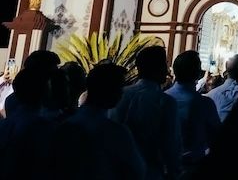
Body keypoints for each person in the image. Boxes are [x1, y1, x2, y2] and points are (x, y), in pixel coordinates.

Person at [51, 63, 147, 180]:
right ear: (112, 91)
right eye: (119, 88)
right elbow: (138, 171)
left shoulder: (64, 125)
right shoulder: (116, 133)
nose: (122, 93)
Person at [111, 45, 182, 180]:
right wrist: (174, 172)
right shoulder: (165, 102)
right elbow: (171, 144)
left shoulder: (120, 94)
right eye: (165, 64)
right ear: (159, 68)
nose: (167, 70)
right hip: (150, 171)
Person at [165, 51, 220, 172]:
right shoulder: (206, 103)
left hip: (163, 167)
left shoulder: (161, 99)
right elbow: (216, 138)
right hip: (193, 166)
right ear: (197, 73)